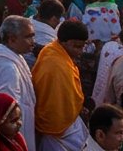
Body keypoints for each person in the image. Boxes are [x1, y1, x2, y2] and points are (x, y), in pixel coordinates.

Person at [0, 17, 36, 151]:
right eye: (28, 37)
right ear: (12, 39)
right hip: (12, 135)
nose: (33, 42)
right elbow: (7, 112)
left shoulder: (0, 53)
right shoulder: (8, 68)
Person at [33, 20, 88, 151]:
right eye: (76, 46)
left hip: (67, 121)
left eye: (82, 46)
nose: (80, 51)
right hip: (56, 126)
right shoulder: (56, 64)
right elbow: (57, 102)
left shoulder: (52, 49)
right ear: (63, 42)